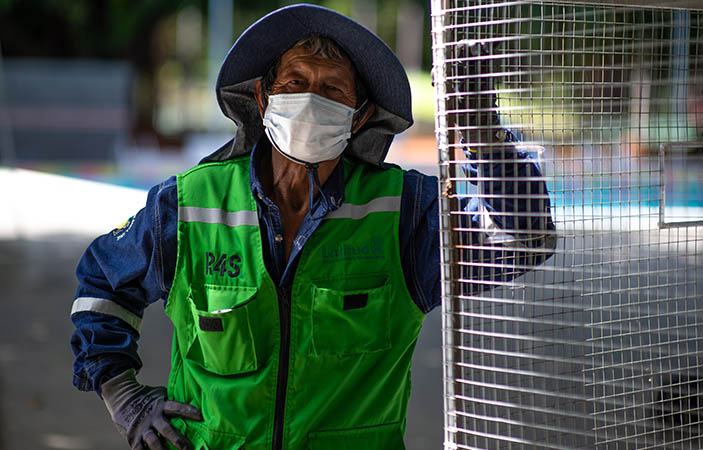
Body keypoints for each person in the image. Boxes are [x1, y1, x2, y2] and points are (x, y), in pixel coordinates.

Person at [69, 4, 555, 450]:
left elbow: (523, 242)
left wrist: (486, 142)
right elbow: (103, 284)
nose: (309, 99)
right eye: (295, 82)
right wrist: (124, 398)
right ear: (263, 98)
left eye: (331, 89)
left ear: (358, 116)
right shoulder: (189, 203)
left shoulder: (404, 212)